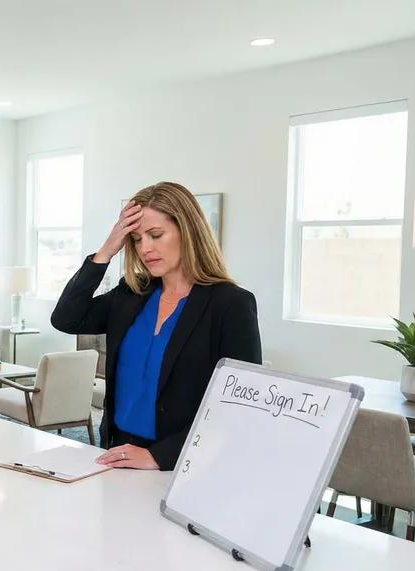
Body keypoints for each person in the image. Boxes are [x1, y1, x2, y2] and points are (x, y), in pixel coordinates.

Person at [51, 181, 261, 471]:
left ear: (187, 231)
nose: (145, 248)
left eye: (156, 235)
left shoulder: (230, 304)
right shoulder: (133, 293)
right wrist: (105, 252)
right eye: (136, 239)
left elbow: (239, 406)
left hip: (184, 463)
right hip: (117, 454)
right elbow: (65, 318)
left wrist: (159, 457)